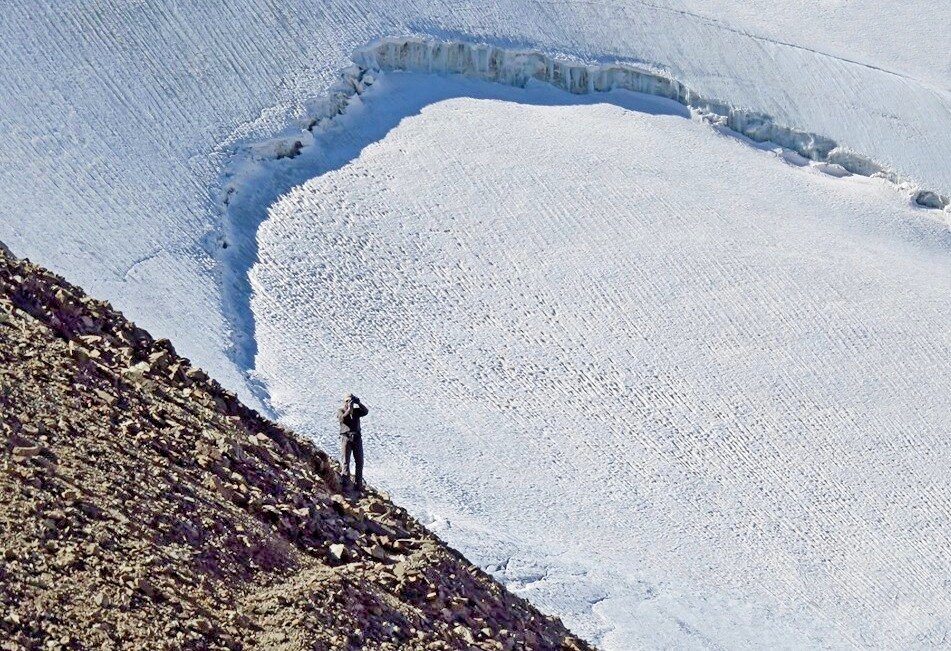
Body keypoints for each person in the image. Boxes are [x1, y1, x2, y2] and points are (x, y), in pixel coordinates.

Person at [338, 393, 369, 491]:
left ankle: (358, 484)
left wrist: (359, 403)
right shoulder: (341, 411)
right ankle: (345, 481)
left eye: (350, 401)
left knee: (359, 461)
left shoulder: (356, 411)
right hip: (346, 437)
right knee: (346, 460)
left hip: (357, 438)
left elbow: (365, 412)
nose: (349, 403)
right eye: (347, 401)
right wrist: (348, 410)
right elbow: (342, 418)